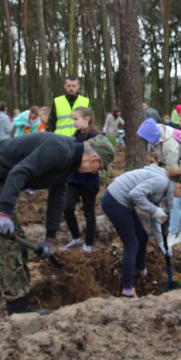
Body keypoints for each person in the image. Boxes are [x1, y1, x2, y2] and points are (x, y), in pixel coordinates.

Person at [0, 132, 115, 313]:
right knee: (7, 244)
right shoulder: (59, 150)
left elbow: (57, 196)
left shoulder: (68, 162)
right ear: (93, 160)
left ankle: (20, 294)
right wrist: (5, 213)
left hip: (1, 181)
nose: (96, 173)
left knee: (18, 241)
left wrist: (50, 238)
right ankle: (17, 307)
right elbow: (19, 172)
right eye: (99, 168)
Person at [102, 164, 181, 297]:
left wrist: (162, 242)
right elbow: (135, 195)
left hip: (124, 201)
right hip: (115, 201)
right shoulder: (161, 182)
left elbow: (155, 216)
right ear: (179, 186)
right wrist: (154, 210)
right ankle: (127, 290)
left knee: (143, 237)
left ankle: (141, 270)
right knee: (131, 244)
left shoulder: (166, 185)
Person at [136, 118, 181, 238]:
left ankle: (174, 234)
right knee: (172, 203)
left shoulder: (169, 144)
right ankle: (179, 229)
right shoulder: (158, 133)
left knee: (174, 203)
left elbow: (173, 169)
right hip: (174, 168)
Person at [63, 107, 103, 253]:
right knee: (67, 208)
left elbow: (102, 157)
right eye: (72, 119)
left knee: (89, 212)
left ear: (87, 119)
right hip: (73, 179)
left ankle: (88, 243)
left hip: (89, 181)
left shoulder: (97, 136)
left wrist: (96, 161)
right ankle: (76, 238)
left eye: (76, 119)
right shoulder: (76, 135)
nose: (73, 122)